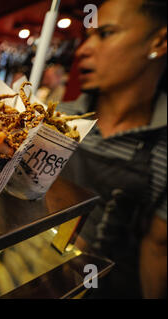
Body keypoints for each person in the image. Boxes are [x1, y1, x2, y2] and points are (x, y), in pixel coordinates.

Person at [59, 0, 167, 298]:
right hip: (34, 275)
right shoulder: (59, 119)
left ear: (159, 41)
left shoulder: (163, 146)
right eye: (88, 36)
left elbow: (157, 248)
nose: (82, 50)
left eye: (105, 34)